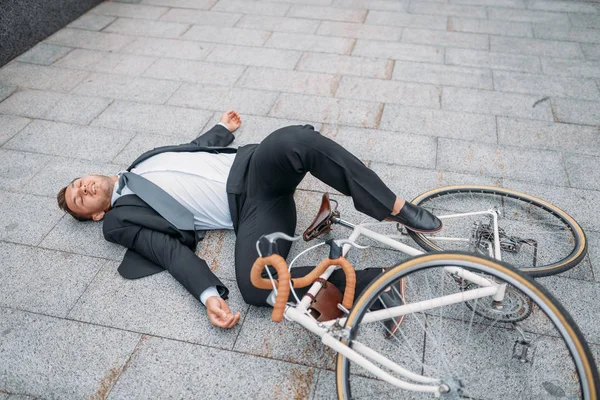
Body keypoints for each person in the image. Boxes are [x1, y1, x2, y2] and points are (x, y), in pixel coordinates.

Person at [56, 110, 441, 331]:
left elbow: (192, 151)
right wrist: (208, 296)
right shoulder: (119, 220)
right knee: (257, 287)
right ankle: (376, 283)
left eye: (79, 183)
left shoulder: (139, 160)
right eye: (79, 199)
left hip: (255, 166)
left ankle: (393, 206)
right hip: (253, 211)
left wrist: (223, 129)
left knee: (295, 140)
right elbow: (166, 251)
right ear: (96, 215)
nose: (83, 188)